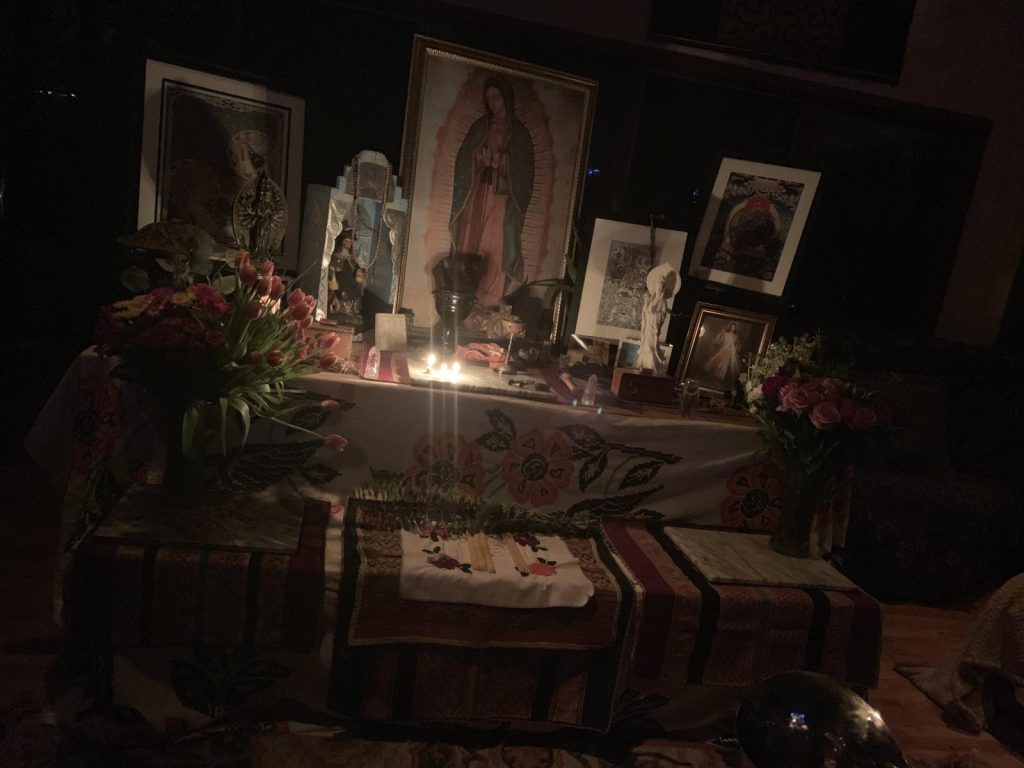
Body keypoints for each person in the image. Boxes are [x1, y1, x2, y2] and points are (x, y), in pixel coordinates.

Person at [449, 75, 535, 308]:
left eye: (497, 98)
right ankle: (465, 300)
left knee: (496, 247)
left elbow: (526, 171)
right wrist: (479, 157)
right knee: (470, 243)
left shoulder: (519, 134)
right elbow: (463, 160)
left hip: (502, 199)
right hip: (477, 195)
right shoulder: (480, 127)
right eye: (489, 99)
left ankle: (490, 303)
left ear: (506, 98)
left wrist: (504, 163)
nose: (493, 104)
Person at [636, 264, 678, 376]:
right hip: (647, 325)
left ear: (664, 288)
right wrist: (645, 302)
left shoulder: (662, 300)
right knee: (645, 344)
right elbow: (645, 311)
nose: (659, 288)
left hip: (653, 326)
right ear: (655, 286)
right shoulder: (651, 298)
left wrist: (654, 314)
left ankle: (651, 365)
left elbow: (662, 314)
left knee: (651, 346)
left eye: (661, 287)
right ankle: (643, 364)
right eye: (658, 286)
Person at [705, 321, 742, 385]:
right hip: (723, 350)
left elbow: (737, 345)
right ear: (730, 327)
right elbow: (721, 341)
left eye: (734, 327)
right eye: (732, 327)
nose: (733, 328)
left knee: (725, 366)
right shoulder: (725, 334)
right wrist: (721, 335)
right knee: (718, 364)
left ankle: (720, 380)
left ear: (735, 329)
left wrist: (734, 347)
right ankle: (714, 379)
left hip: (730, 352)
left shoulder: (736, 336)